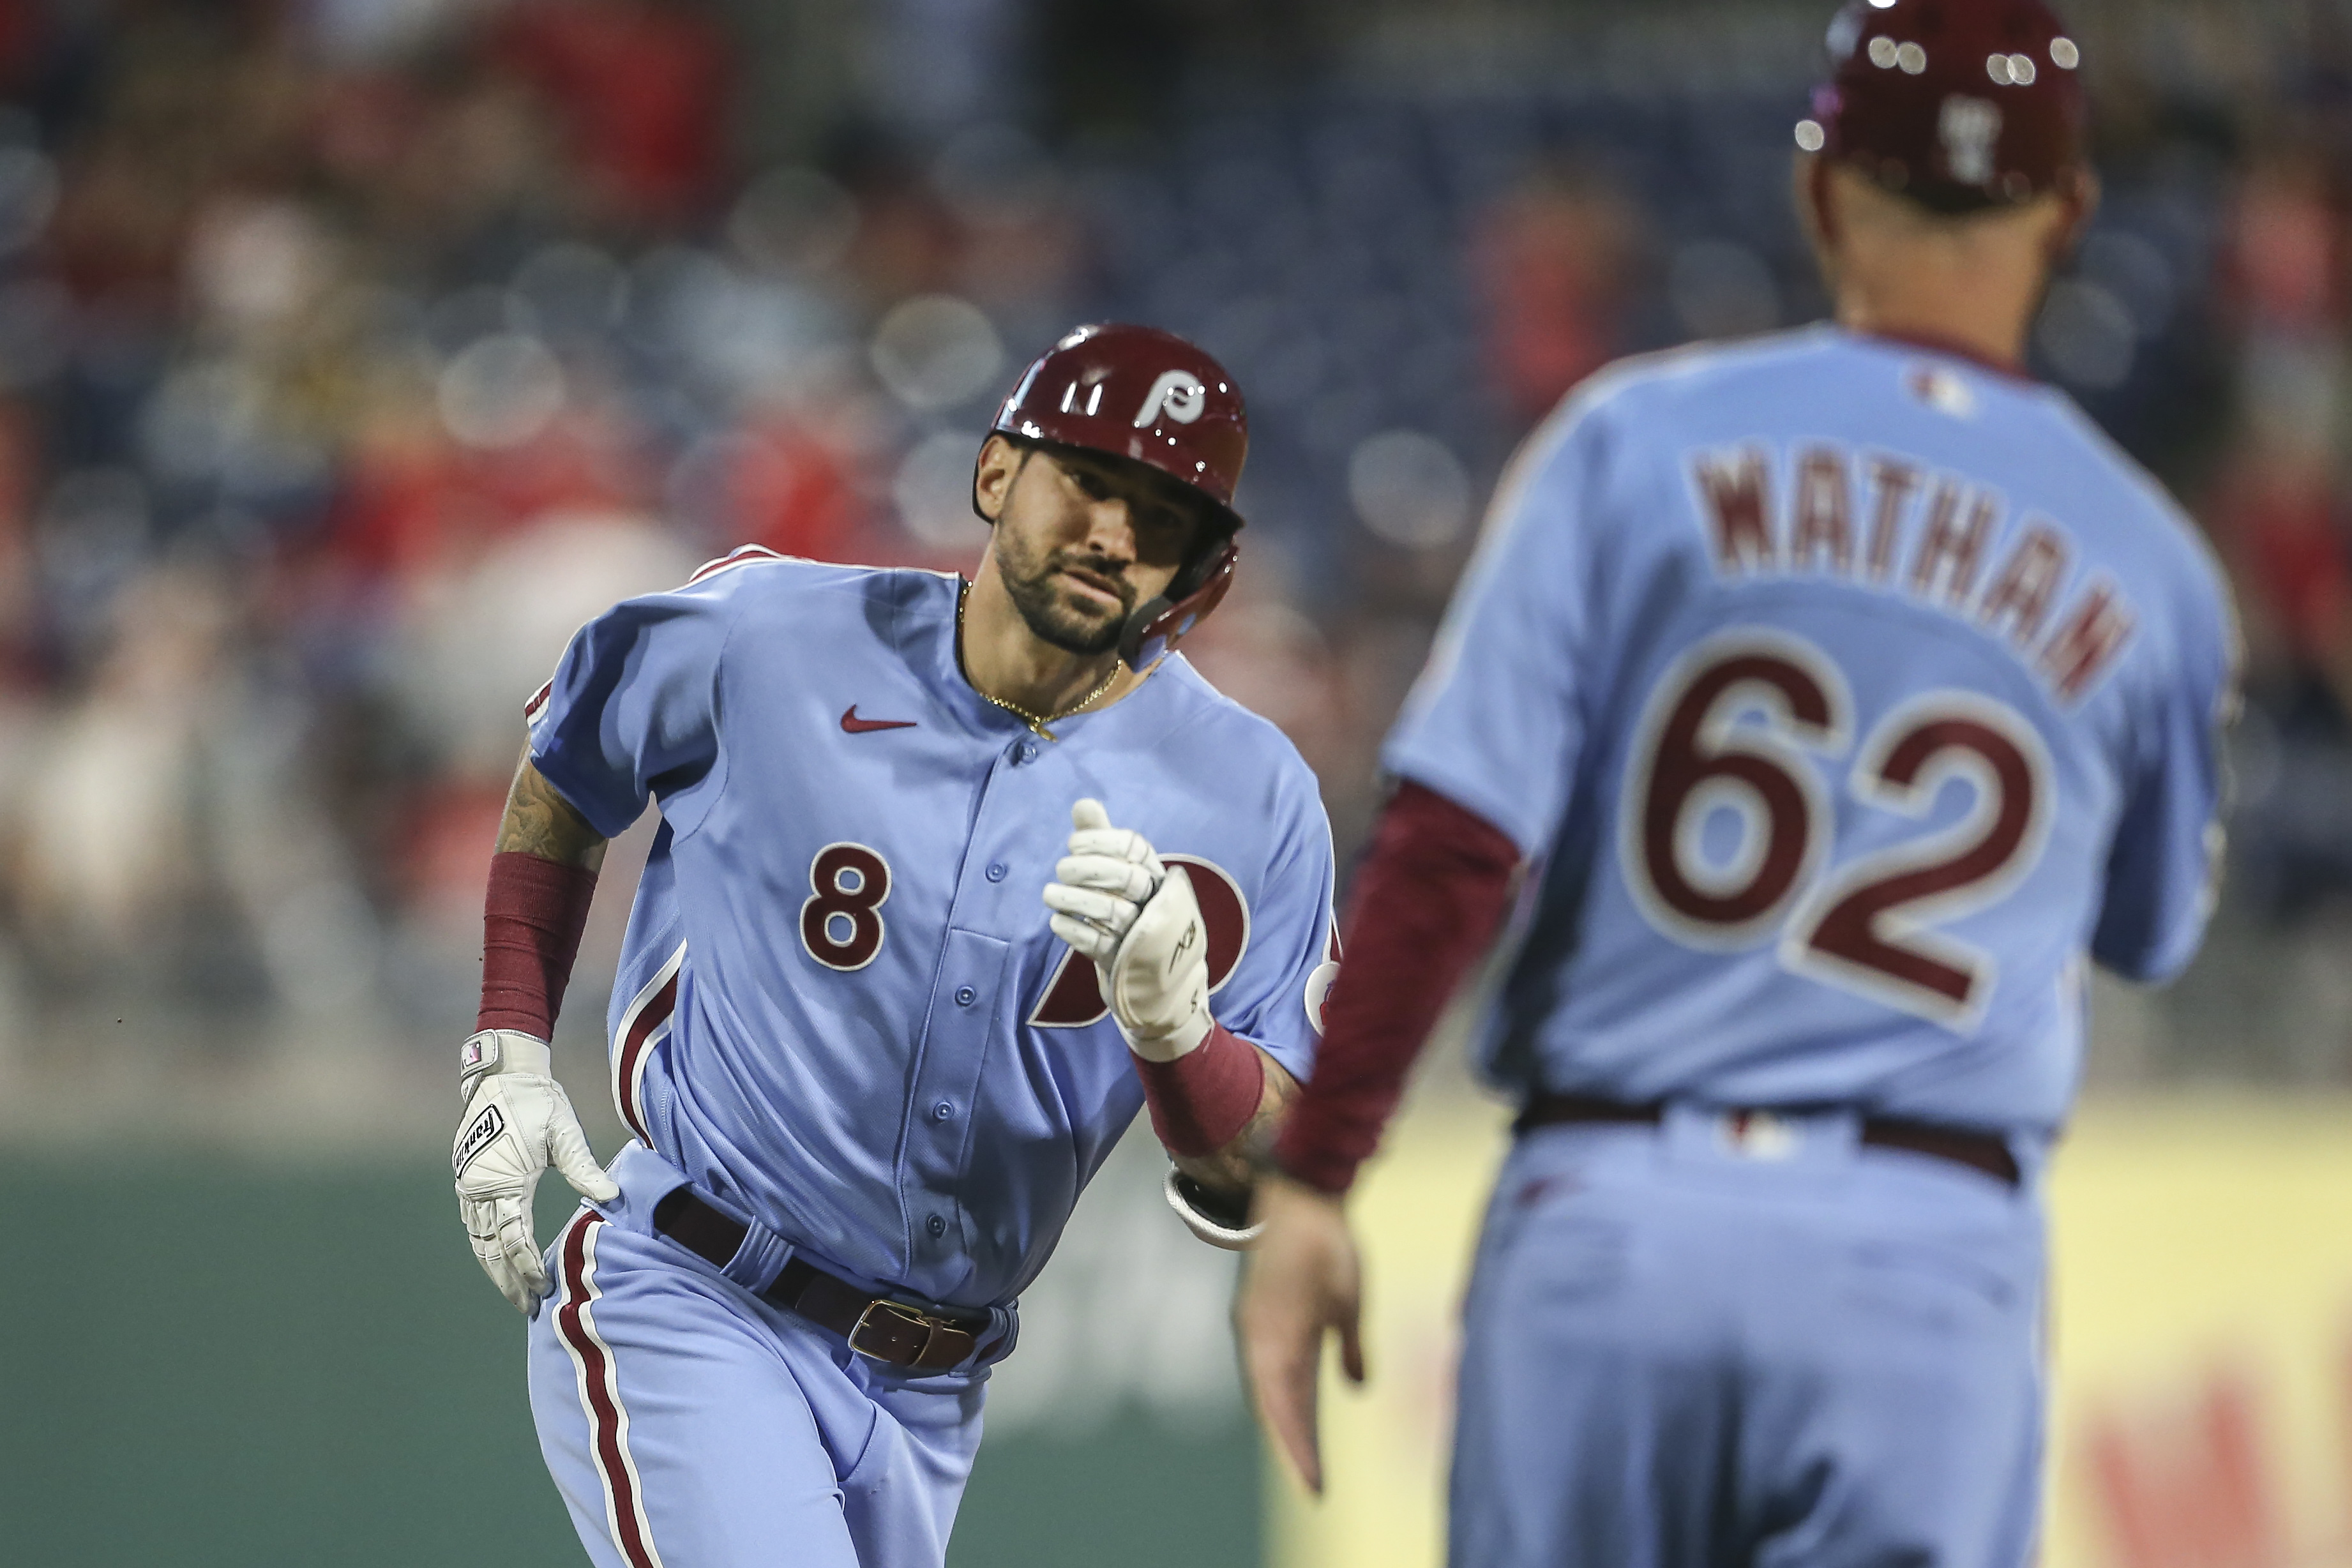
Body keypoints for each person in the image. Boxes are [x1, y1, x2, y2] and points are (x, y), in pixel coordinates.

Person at [1236, 4, 2238, 1565]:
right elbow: (2152, 930)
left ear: (1821, 186)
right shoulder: (2151, 558)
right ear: (2071, 211)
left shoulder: (1631, 438)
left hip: (1611, 1218)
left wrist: (1317, 1180)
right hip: (1925, 1254)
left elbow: (1450, 841)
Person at [450, 322, 1338, 1568]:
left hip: (936, 1388)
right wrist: (507, 1040)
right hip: (698, 1291)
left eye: (1163, 514)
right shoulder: (772, 633)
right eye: (1088, 479)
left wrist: (1178, 1041)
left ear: (1205, 569)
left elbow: (1276, 1162)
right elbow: (569, 766)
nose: (1115, 534)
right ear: (993, 474)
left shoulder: (1254, 797)